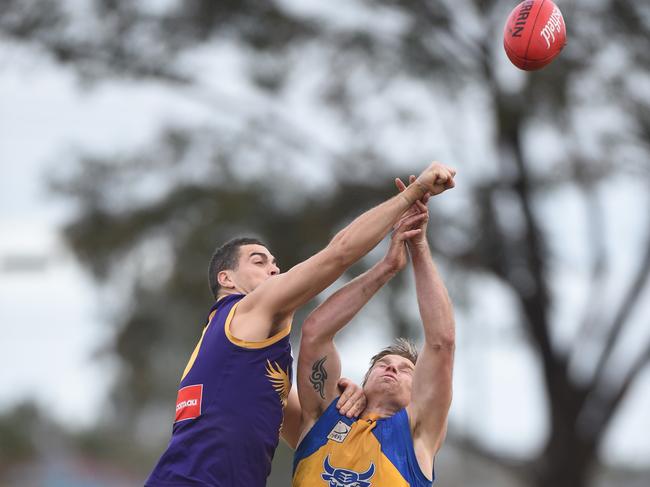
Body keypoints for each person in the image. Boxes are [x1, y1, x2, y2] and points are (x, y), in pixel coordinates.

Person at [145, 163, 456, 487]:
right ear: (226, 278)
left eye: (276, 263)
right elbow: (340, 254)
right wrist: (412, 195)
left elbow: (440, 344)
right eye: (259, 261)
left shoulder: (251, 361)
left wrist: (343, 398)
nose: (275, 271)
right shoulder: (246, 311)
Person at [293, 176, 455, 486]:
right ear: (362, 382)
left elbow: (441, 342)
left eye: (406, 370)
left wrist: (418, 246)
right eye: (382, 364)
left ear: (418, 392)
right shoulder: (323, 418)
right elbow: (315, 333)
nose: (392, 367)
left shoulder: (417, 434)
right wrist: (387, 267)